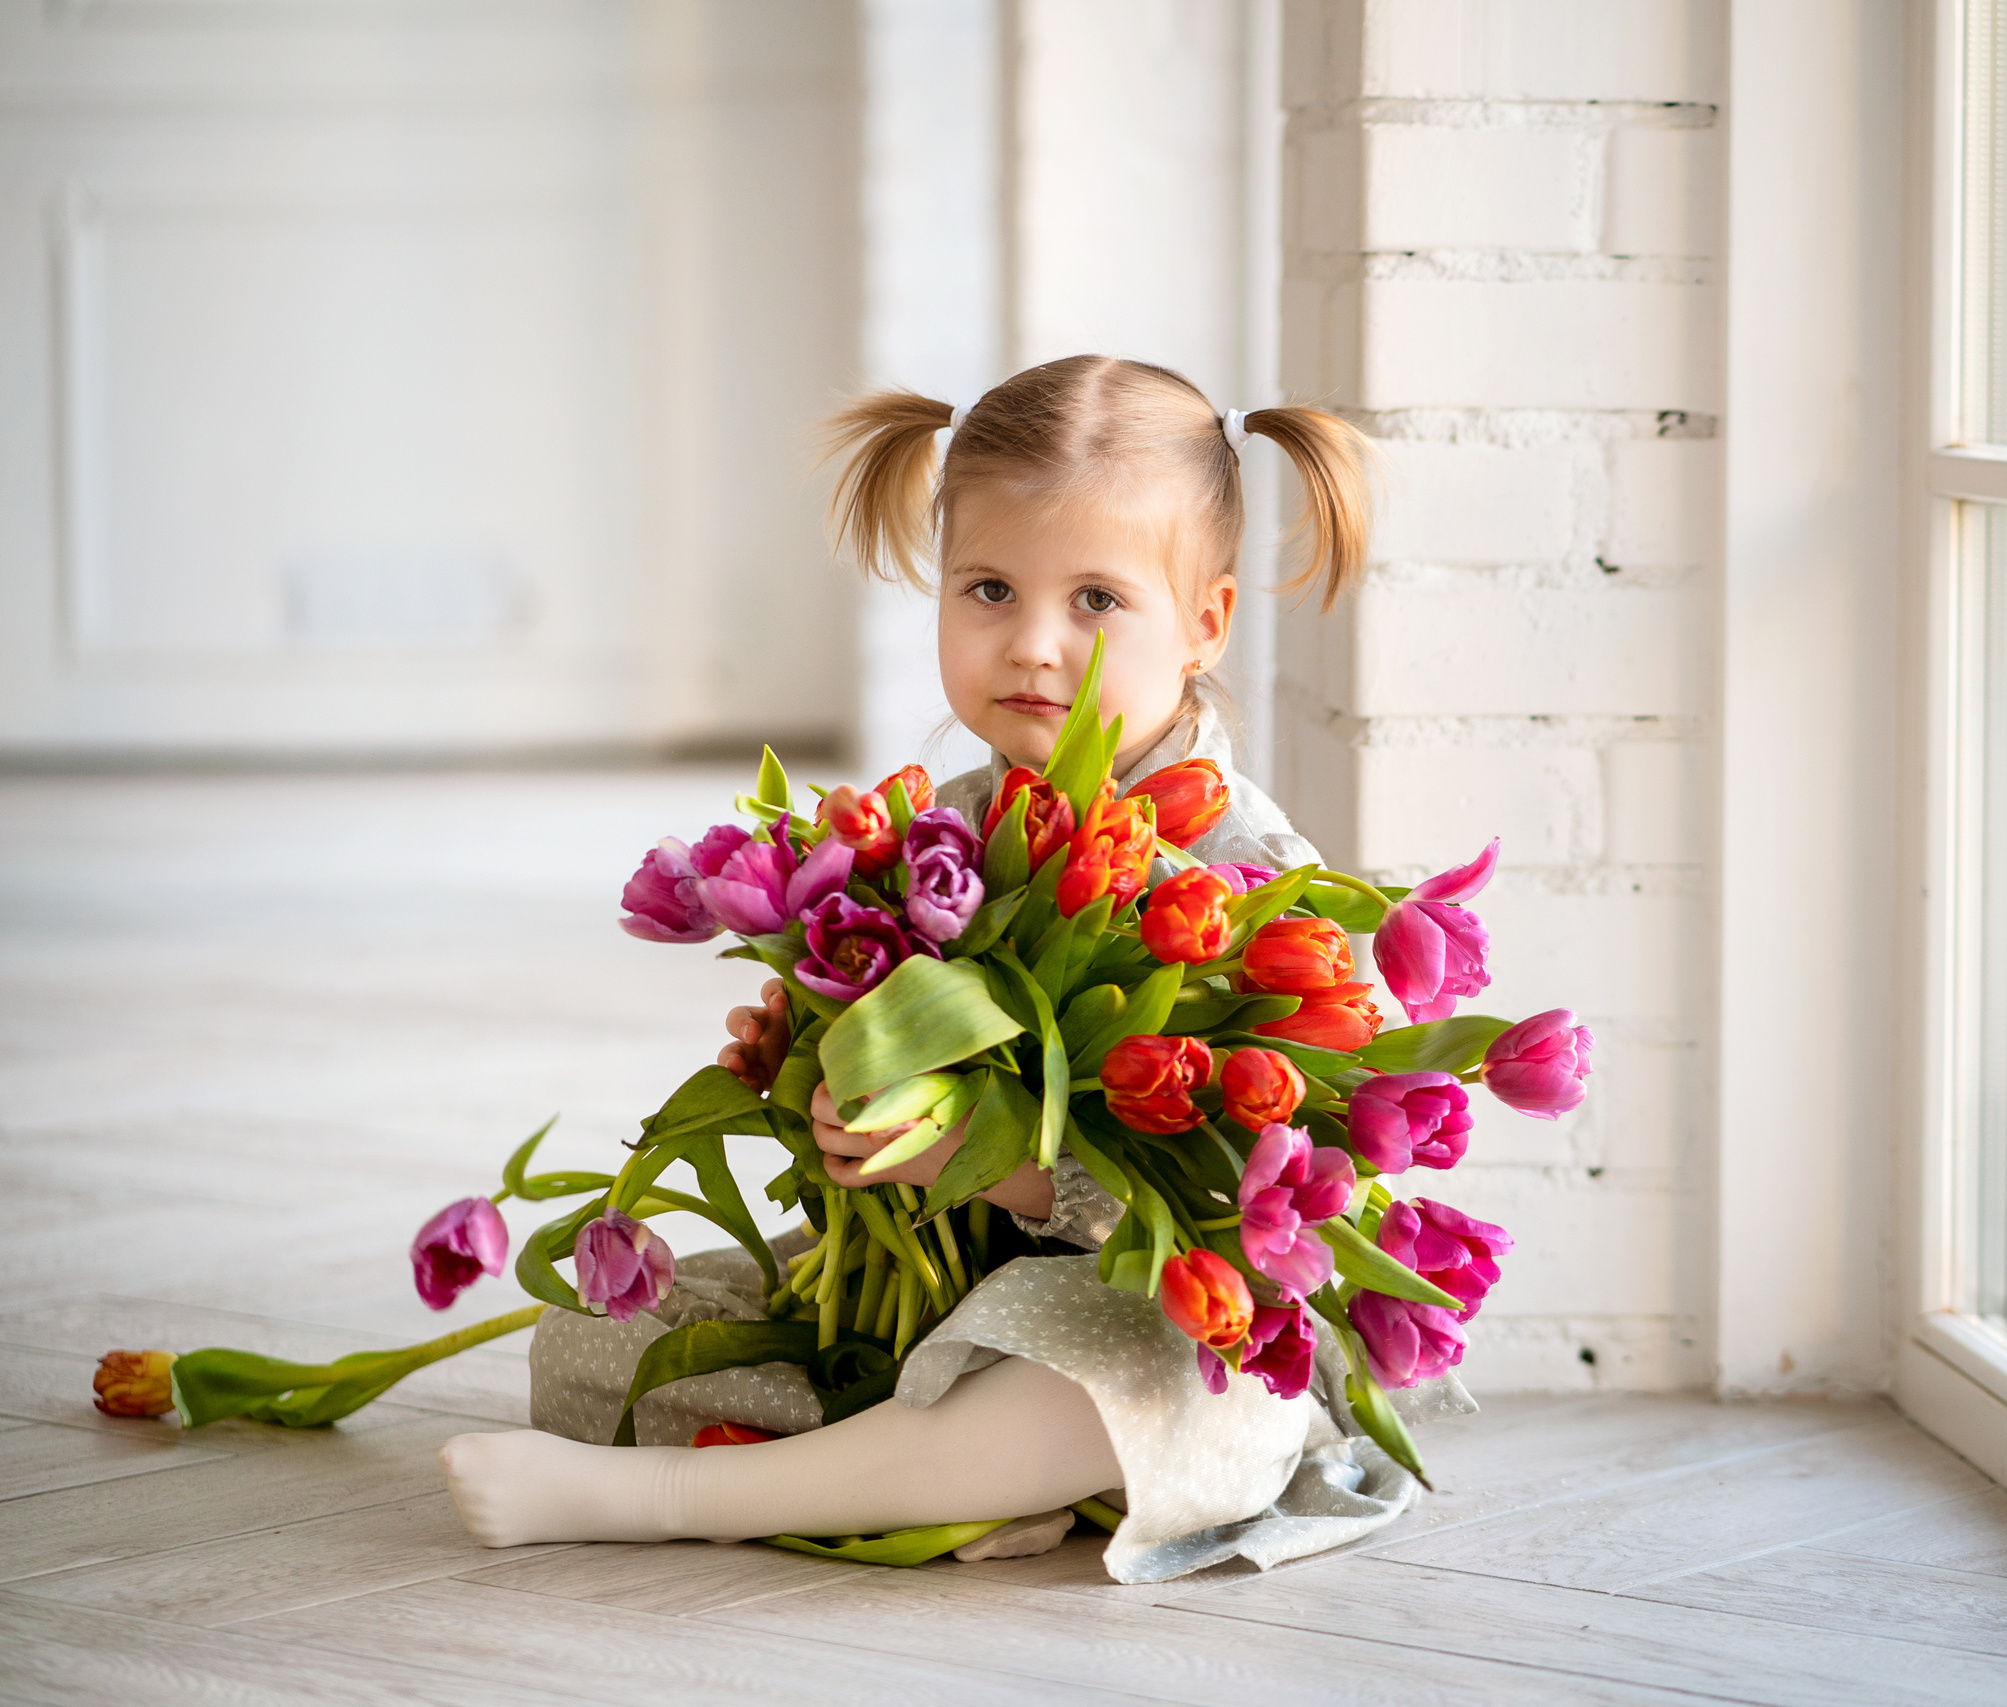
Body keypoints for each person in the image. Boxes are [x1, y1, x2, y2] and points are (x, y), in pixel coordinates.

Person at [439, 355, 1473, 1583]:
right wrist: (811, 1063)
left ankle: (693, 1491)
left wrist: (1000, 1172)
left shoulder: (1252, 882)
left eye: (1096, 599)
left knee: (1179, 1389)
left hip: (1126, 1312)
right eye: (988, 588)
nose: (1033, 645)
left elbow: (1237, 1216)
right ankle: (940, 1486)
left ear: (1204, 623)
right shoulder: (937, 835)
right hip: (934, 1306)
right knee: (595, 1338)